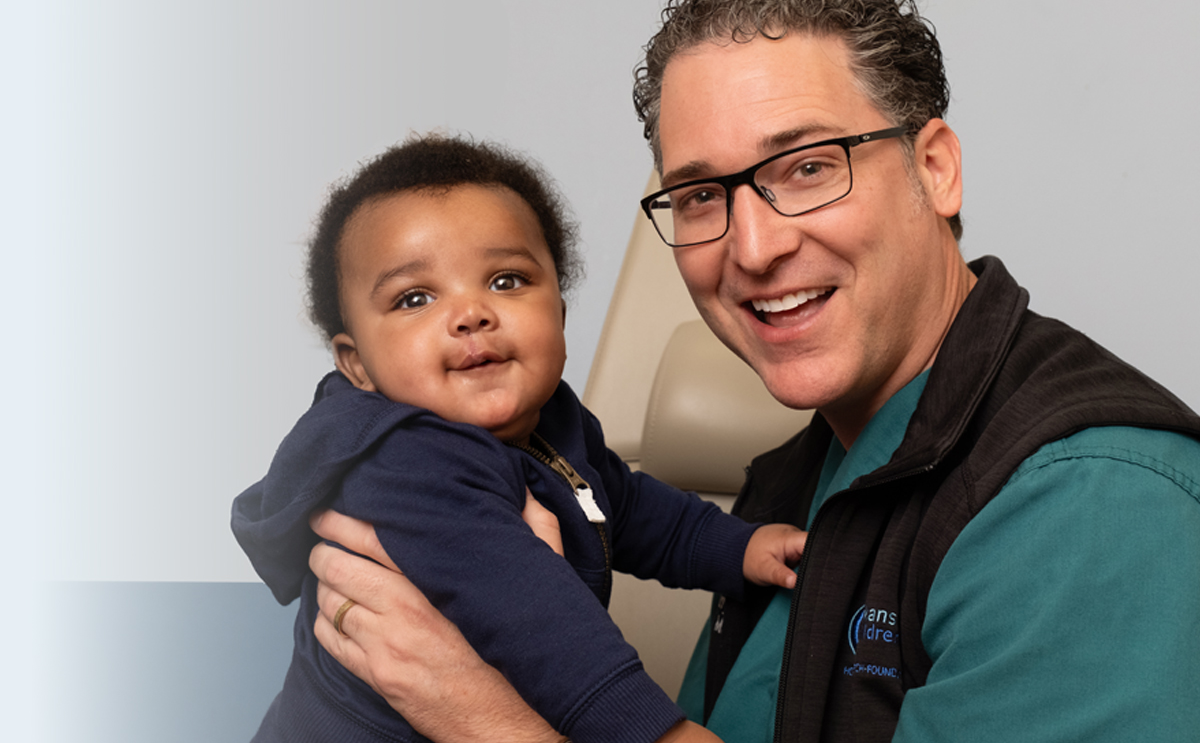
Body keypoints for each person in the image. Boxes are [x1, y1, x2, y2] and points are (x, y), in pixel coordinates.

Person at [304, 0, 1200, 743]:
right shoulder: (800, 475)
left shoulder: (1090, 509)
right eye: (700, 196)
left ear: (935, 168)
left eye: (808, 166)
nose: (755, 246)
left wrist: (487, 720)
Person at [231, 134, 808, 743]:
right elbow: (535, 622)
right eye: (415, 298)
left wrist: (737, 548)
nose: (471, 313)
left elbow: (626, 504)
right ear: (358, 366)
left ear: (558, 315)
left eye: (506, 281)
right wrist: (658, 732)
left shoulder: (554, 421)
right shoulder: (402, 465)